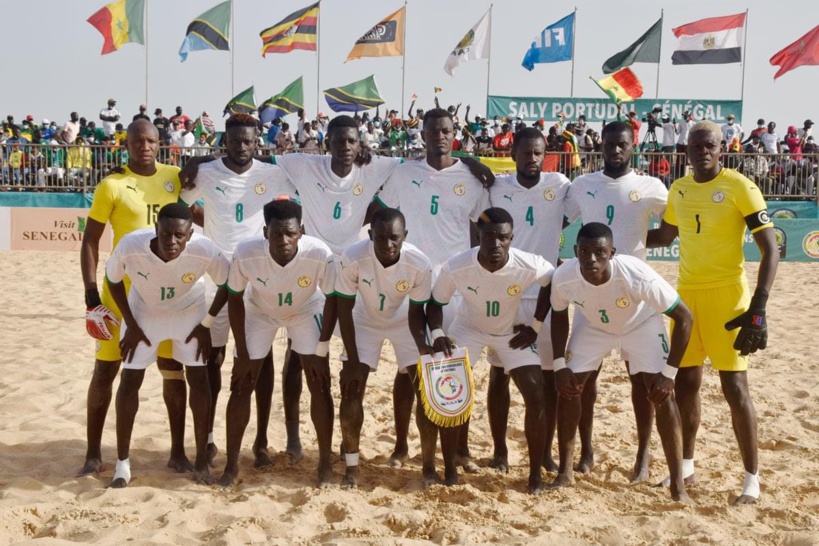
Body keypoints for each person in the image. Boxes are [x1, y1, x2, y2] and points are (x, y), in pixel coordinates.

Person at [648, 120, 779, 504]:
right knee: (686, 385)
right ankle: (686, 465)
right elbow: (664, 237)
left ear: (722, 148)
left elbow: (771, 250)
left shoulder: (740, 186)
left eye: (711, 145)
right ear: (686, 149)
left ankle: (751, 480)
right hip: (687, 299)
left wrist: (759, 307)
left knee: (735, 388)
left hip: (729, 300)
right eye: (697, 145)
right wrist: (619, 231)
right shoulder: (679, 189)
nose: (703, 151)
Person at [374, 107, 493, 471]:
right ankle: (399, 446)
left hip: (454, 288)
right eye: (433, 131)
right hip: (410, 282)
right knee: (407, 369)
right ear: (422, 135)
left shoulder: (472, 179)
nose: (439, 136)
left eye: (446, 130)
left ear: (454, 133)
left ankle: (461, 450)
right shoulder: (402, 173)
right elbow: (379, 211)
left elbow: (481, 228)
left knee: (458, 370)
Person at [180, 113, 298, 468]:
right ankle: (212, 438)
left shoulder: (272, 173)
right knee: (213, 359)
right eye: (235, 141)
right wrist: (195, 163)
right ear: (224, 141)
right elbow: (184, 206)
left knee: (261, 361)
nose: (242, 147)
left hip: (258, 279)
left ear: (257, 140)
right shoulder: (208, 172)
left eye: (248, 141)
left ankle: (261, 440)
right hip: (217, 279)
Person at [549, 222, 693, 504]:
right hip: (593, 326)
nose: (591, 259)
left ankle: (678, 486)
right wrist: (558, 364)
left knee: (663, 396)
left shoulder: (635, 275)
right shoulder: (564, 277)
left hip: (641, 325)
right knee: (568, 387)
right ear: (576, 251)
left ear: (612, 252)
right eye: (584, 252)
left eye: (599, 252)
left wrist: (669, 374)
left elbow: (685, 318)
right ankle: (565, 472)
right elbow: (557, 314)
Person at [79, 119, 187, 476]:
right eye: (138, 141)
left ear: (161, 144)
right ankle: (93, 454)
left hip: (168, 295)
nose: (145, 146)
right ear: (126, 145)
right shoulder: (112, 185)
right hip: (121, 295)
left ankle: (177, 452)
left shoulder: (176, 177)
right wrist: (91, 295)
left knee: (172, 370)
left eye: (152, 141)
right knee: (106, 370)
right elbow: (90, 240)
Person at [564, 120, 668, 483]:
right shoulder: (582, 186)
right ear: (602, 145)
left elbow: (669, 232)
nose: (615, 150)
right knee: (584, 381)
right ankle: (587, 449)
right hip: (590, 298)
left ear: (632, 145)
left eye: (622, 144)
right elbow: (557, 221)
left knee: (641, 381)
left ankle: (642, 455)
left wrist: (633, 247)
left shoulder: (651, 187)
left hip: (635, 297)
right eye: (609, 144)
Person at [427, 207, 554, 492]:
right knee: (449, 393)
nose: (495, 244)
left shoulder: (529, 264)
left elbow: (550, 283)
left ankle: (535, 477)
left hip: (509, 332)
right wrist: (437, 333)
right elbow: (435, 304)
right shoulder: (458, 265)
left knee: (536, 393)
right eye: (488, 237)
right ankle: (449, 470)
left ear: (511, 238)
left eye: (503, 238)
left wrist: (535, 325)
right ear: (477, 236)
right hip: (468, 329)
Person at [105, 203, 230, 488]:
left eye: (179, 236)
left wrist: (207, 323)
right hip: (144, 314)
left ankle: (200, 461)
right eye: (165, 234)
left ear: (190, 233)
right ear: (155, 230)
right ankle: (122, 463)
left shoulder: (205, 249)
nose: (171, 241)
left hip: (189, 315)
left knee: (199, 380)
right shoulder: (131, 246)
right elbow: (113, 281)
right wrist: (131, 323)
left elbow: (229, 284)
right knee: (130, 378)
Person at [219, 199, 337, 487]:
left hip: (305, 310)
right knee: (241, 383)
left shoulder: (319, 252)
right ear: (264, 232)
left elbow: (334, 299)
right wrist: (243, 352)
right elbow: (234, 298)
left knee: (319, 381)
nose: (283, 240)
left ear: (301, 231)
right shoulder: (246, 253)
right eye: (276, 234)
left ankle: (324, 464)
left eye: (290, 233)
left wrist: (322, 347)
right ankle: (231, 466)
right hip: (261, 312)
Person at [486, 128, 571, 474]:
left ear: (544, 154)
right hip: (505, 294)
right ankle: (499, 451)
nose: (532, 159)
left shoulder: (560, 185)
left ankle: (545, 451)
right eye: (525, 153)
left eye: (538, 153)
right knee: (498, 375)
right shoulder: (496, 188)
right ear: (513, 154)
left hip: (545, 294)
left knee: (548, 380)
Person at [335, 208, 433, 488]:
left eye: (395, 238)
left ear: (405, 237)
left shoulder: (418, 263)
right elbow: (344, 309)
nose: (388, 245)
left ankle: (427, 467)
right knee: (352, 389)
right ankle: (351, 468)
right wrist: (352, 359)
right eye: (381, 238)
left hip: (405, 321)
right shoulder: (353, 257)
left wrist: (422, 347)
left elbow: (417, 313)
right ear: (370, 235)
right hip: (364, 320)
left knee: (424, 394)